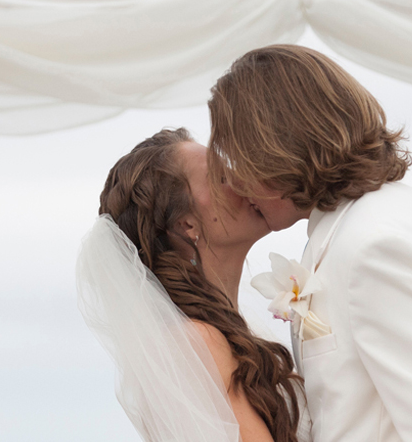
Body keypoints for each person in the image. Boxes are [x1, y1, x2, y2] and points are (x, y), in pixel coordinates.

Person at [208, 44, 412, 442]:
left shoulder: (376, 244)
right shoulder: (364, 224)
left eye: (239, 158)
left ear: (276, 145)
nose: (235, 183)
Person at [78, 128, 308, 442]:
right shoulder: (197, 342)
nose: (245, 180)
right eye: (221, 177)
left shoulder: (209, 339)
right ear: (187, 225)